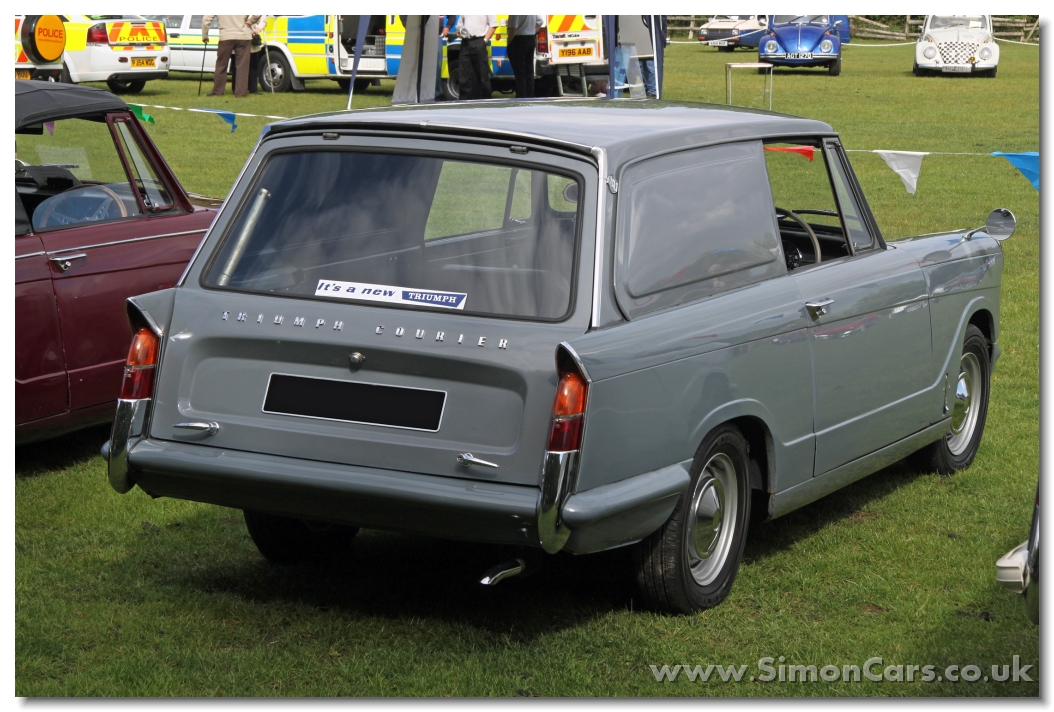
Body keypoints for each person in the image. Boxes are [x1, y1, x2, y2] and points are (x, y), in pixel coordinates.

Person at [202, 14, 261, 97]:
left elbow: (206, 20)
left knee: (221, 65)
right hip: (243, 35)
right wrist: (250, 22)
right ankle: (240, 93)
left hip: (226, 36)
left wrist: (205, 35)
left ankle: (217, 92)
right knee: (242, 66)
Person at [455, 15, 497, 100]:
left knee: (482, 74)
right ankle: (465, 101)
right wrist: (458, 32)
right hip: (466, 42)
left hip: (479, 41)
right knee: (464, 74)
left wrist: (484, 41)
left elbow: (493, 26)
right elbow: (459, 24)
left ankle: (485, 101)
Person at [506, 15, 542, 98]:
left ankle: (521, 95)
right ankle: (530, 95)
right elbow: (540, 21)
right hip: (530, 38)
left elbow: (513, 28)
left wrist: (509, 41)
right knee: (529, 70)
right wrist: (532, 31)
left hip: (518, 40)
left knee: (520, 72)